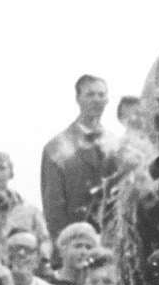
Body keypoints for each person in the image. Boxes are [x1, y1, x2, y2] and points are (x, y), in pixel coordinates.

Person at [42, 74, 123, 239]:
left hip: (112, 239)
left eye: (101, 95)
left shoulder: (116, 144)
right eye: (90, 94)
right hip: (76, 241)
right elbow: (53, 208)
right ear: (78, 98)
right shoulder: (57, 148)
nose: (96, 100)